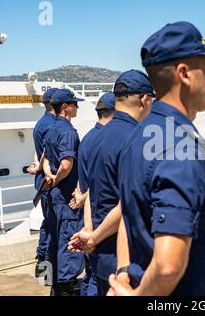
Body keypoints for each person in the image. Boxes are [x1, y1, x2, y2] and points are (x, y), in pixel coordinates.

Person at [107, 21, 205, 296]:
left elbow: (129, 217)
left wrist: (125, 270)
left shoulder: (136, 138)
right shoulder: (181, 147)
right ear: (184, 73)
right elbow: (168, 266)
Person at [68, 70, 154, 296]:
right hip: (124, 256)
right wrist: (94, 237)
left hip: (97, 251)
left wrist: (89, 231)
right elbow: (128, 204)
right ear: (145, 100)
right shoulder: (139, 139)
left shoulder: (95, 138)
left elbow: (91, 193)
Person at [69, 92, 116, 296]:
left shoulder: (88, 139)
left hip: (89, 218)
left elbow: (84, 183)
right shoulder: (111, 141)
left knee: (92, 275)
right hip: (108, 222)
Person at [43, 88, 84, 296]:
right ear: (66, 107)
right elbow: (67, 165)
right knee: (69, 243)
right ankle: (65, 290)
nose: (78, 107)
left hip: (53, 198)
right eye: (75, 104)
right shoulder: (68, 132)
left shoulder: (51, 129)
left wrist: (49, 176)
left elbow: (47, 159)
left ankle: (54, 286)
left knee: (54, 240)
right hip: (66, 197)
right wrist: (57, 179)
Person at [29, 87, 57, 279]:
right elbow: (47, 153)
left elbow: (38, 152)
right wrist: (40, 167)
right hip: (51, 182)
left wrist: (36, 166)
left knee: (47, 225)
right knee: (53, 229)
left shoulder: (41, 123)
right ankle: (47, 277)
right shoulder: (52, 125)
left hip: (43, 183)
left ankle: (43, 275)